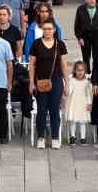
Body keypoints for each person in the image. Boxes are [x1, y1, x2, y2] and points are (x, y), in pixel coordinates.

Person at [29, 19, 68, 149]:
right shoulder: (36, 44)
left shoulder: (60, 44)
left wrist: (66, 83)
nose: (47, 31)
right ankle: (41, 136)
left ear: (54, 30)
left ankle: (55, 137)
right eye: (45, 29)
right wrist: (31, 83)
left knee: (54, 110)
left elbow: (64, 65)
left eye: (50, 29)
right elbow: (32, 65)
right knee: (41, 109)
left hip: (56, 80)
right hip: (40, 80)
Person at [73, 0, 98, 72]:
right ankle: (87, 73)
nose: (92, 0)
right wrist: (79, 37)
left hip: (97, 37)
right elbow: (77, 25)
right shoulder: (80, 9)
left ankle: (96, 75)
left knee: (97, 57)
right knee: (86, 57)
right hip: (85, 37)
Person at [64, 59, 93, 144]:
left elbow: (88, 94)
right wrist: (67, 88)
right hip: (74, 102)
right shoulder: (72, 80)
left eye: (82, 70)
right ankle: (72, 136)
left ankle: (83, 138)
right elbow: (69, 91)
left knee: (82, 121)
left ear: (85, 71)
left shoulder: (86, 82)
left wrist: (89, 103)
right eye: (78, 70)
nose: (80, 72)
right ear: (75, 71)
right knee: (73, 120)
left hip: (83, 103)